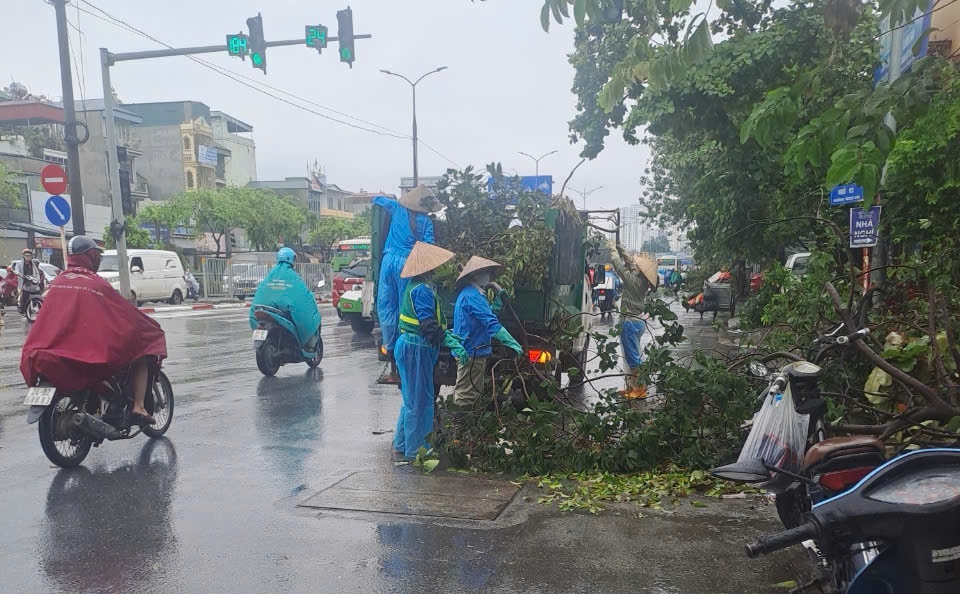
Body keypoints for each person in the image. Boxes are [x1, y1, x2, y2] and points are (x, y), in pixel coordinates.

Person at [20, 236, 167, 424]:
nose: (98, 259)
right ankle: (138, 406)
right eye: (96, 255)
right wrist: (147, 326)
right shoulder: (96, 283)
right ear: (89, 256)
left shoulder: (58, 282)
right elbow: (122, 312)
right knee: (139, 352)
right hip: (85, 351)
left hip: (48, 349)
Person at [392, 241, 467, 459]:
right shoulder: (422, 290)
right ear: (429, 268)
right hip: (416, 349)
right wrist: (449, 341)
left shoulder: (417, 287)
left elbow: (428, 323)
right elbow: (428, 326)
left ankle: (401, 445)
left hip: (412, 346)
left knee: (411, 399)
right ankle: (416, 452)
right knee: (420, 402)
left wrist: (448, 333)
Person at [374, 185, 442, 373]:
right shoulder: (426, 222)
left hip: (388, 262)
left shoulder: (397, 208)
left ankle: (389, 345)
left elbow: (378, 200)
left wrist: (380, 196)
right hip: (407, 264)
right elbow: (428, 246)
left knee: (386, 305)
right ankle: (405, 345)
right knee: (406, 306)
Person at [451, 256, 524, 410]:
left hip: (472, 351)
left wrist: (496, 306)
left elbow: (483, 318)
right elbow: (491, 325)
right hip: (471, 352)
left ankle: (466, 429)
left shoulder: (474, 294)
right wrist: (512, 343)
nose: (489, 276)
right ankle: (460, 430)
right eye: (486, 272)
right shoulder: (473, 296)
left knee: (472, 395)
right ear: (475, 275)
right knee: (466, 397)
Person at [608, 242, 658, 399]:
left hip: (630, 323)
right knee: (630, 356)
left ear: (642, 271)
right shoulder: (641, 279)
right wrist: (621, 249)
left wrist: (613, 251)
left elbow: (620, 268)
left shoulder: (635, 282)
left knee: (633, 358)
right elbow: (630, 263)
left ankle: (640, 389)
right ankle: (632, 387)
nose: (636, 264)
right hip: (635, 322)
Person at [249, 248, 322, 352]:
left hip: (265, 309)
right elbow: (302, 296)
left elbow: (262, 291)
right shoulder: (292, 276)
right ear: (292, 259)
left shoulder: (271, 275)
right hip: (281, 312)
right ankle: (305, 346)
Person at [13, 248, 44, 314]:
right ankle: (21, 306)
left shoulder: (33, 264)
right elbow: (16, 270)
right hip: (23, 282)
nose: (28, 257)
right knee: (23, 295)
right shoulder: (19, 263)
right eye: (26, 256)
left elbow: (37, 272)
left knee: (37, 292)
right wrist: (19, 274)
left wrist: (36, 279)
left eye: (29, 256)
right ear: (23, 256)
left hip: (32, 282)